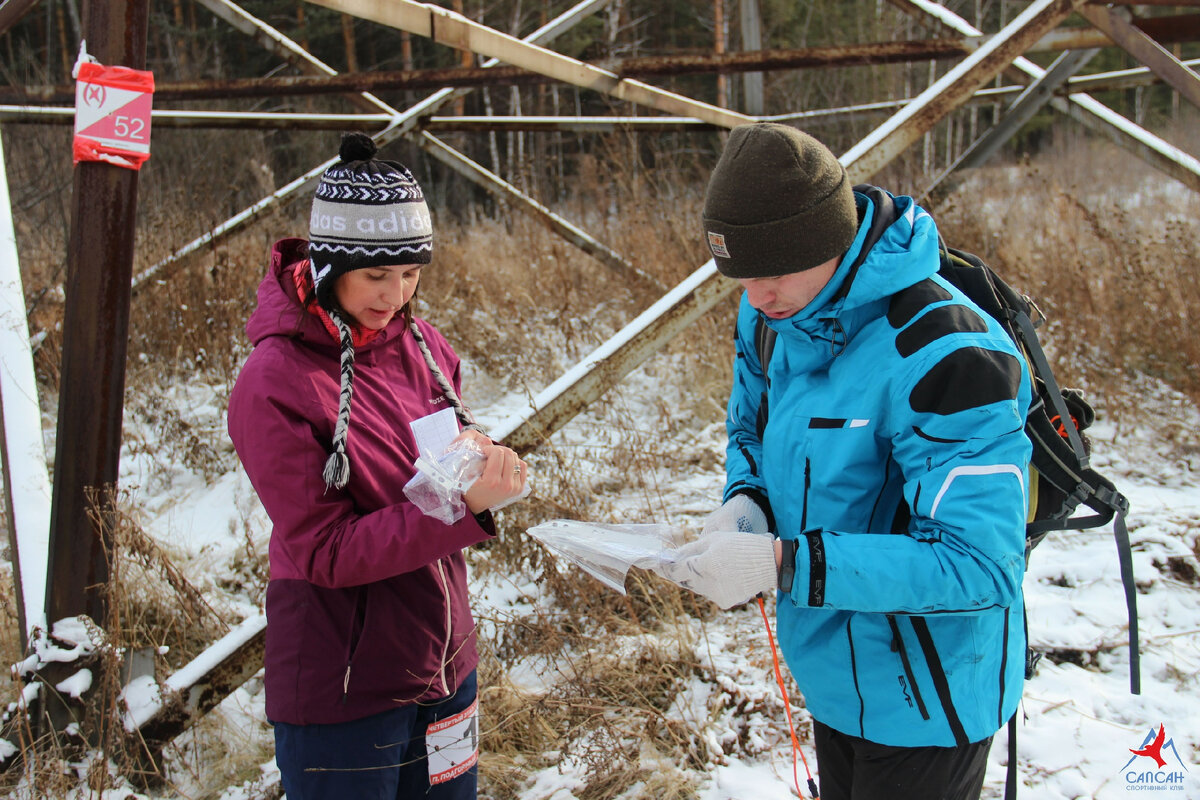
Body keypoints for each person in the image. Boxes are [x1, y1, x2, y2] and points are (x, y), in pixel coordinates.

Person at [660, 123, 1032, 800]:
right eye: (739, 276)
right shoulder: (773, 318)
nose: (756, 296)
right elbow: (750, 426)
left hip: (931, 700)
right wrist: (748, 502)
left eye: (772, 271)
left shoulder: (948, 355)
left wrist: (784, 563)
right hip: (834, 674)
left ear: (827, 239)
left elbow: (980, 565)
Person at [227, 132, 527, 800]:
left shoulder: (423, 345)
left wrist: (476, 463)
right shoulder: (274, 382)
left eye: (412, 274)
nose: (396, 295)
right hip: (347, 689)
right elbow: (325, 552)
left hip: (447, 666)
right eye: (377, 276)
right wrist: (464, 506)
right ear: (331, 264)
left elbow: (434, 467)